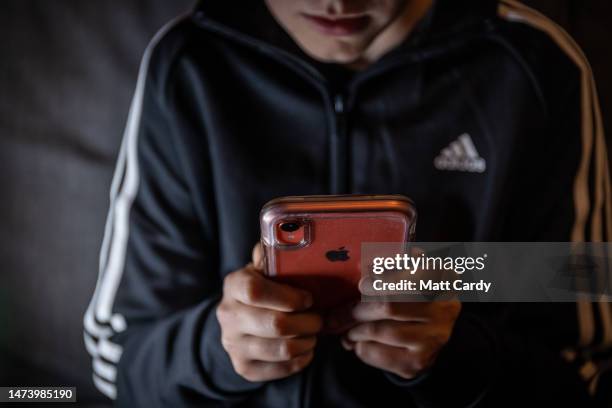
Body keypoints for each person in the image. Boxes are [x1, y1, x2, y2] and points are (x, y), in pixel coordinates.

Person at [84, 0, 611, 406]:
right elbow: (120, 362)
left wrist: (452, 349)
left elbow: (580, 367)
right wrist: (216, 351)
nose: (335, 3)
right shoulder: (190, 68)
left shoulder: (534, 68)